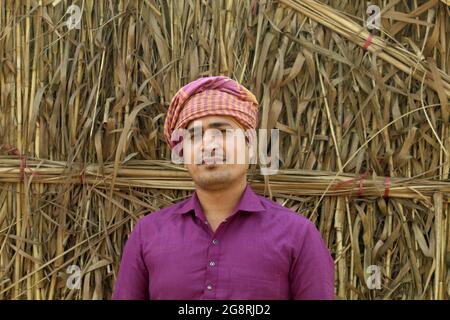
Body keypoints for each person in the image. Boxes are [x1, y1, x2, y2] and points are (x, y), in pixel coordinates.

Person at [112, 76, 334, 299]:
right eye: (195, 135)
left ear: (250, 147)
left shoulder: (298, 235)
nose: (209, 145)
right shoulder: (148, 234)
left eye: (223, 132)